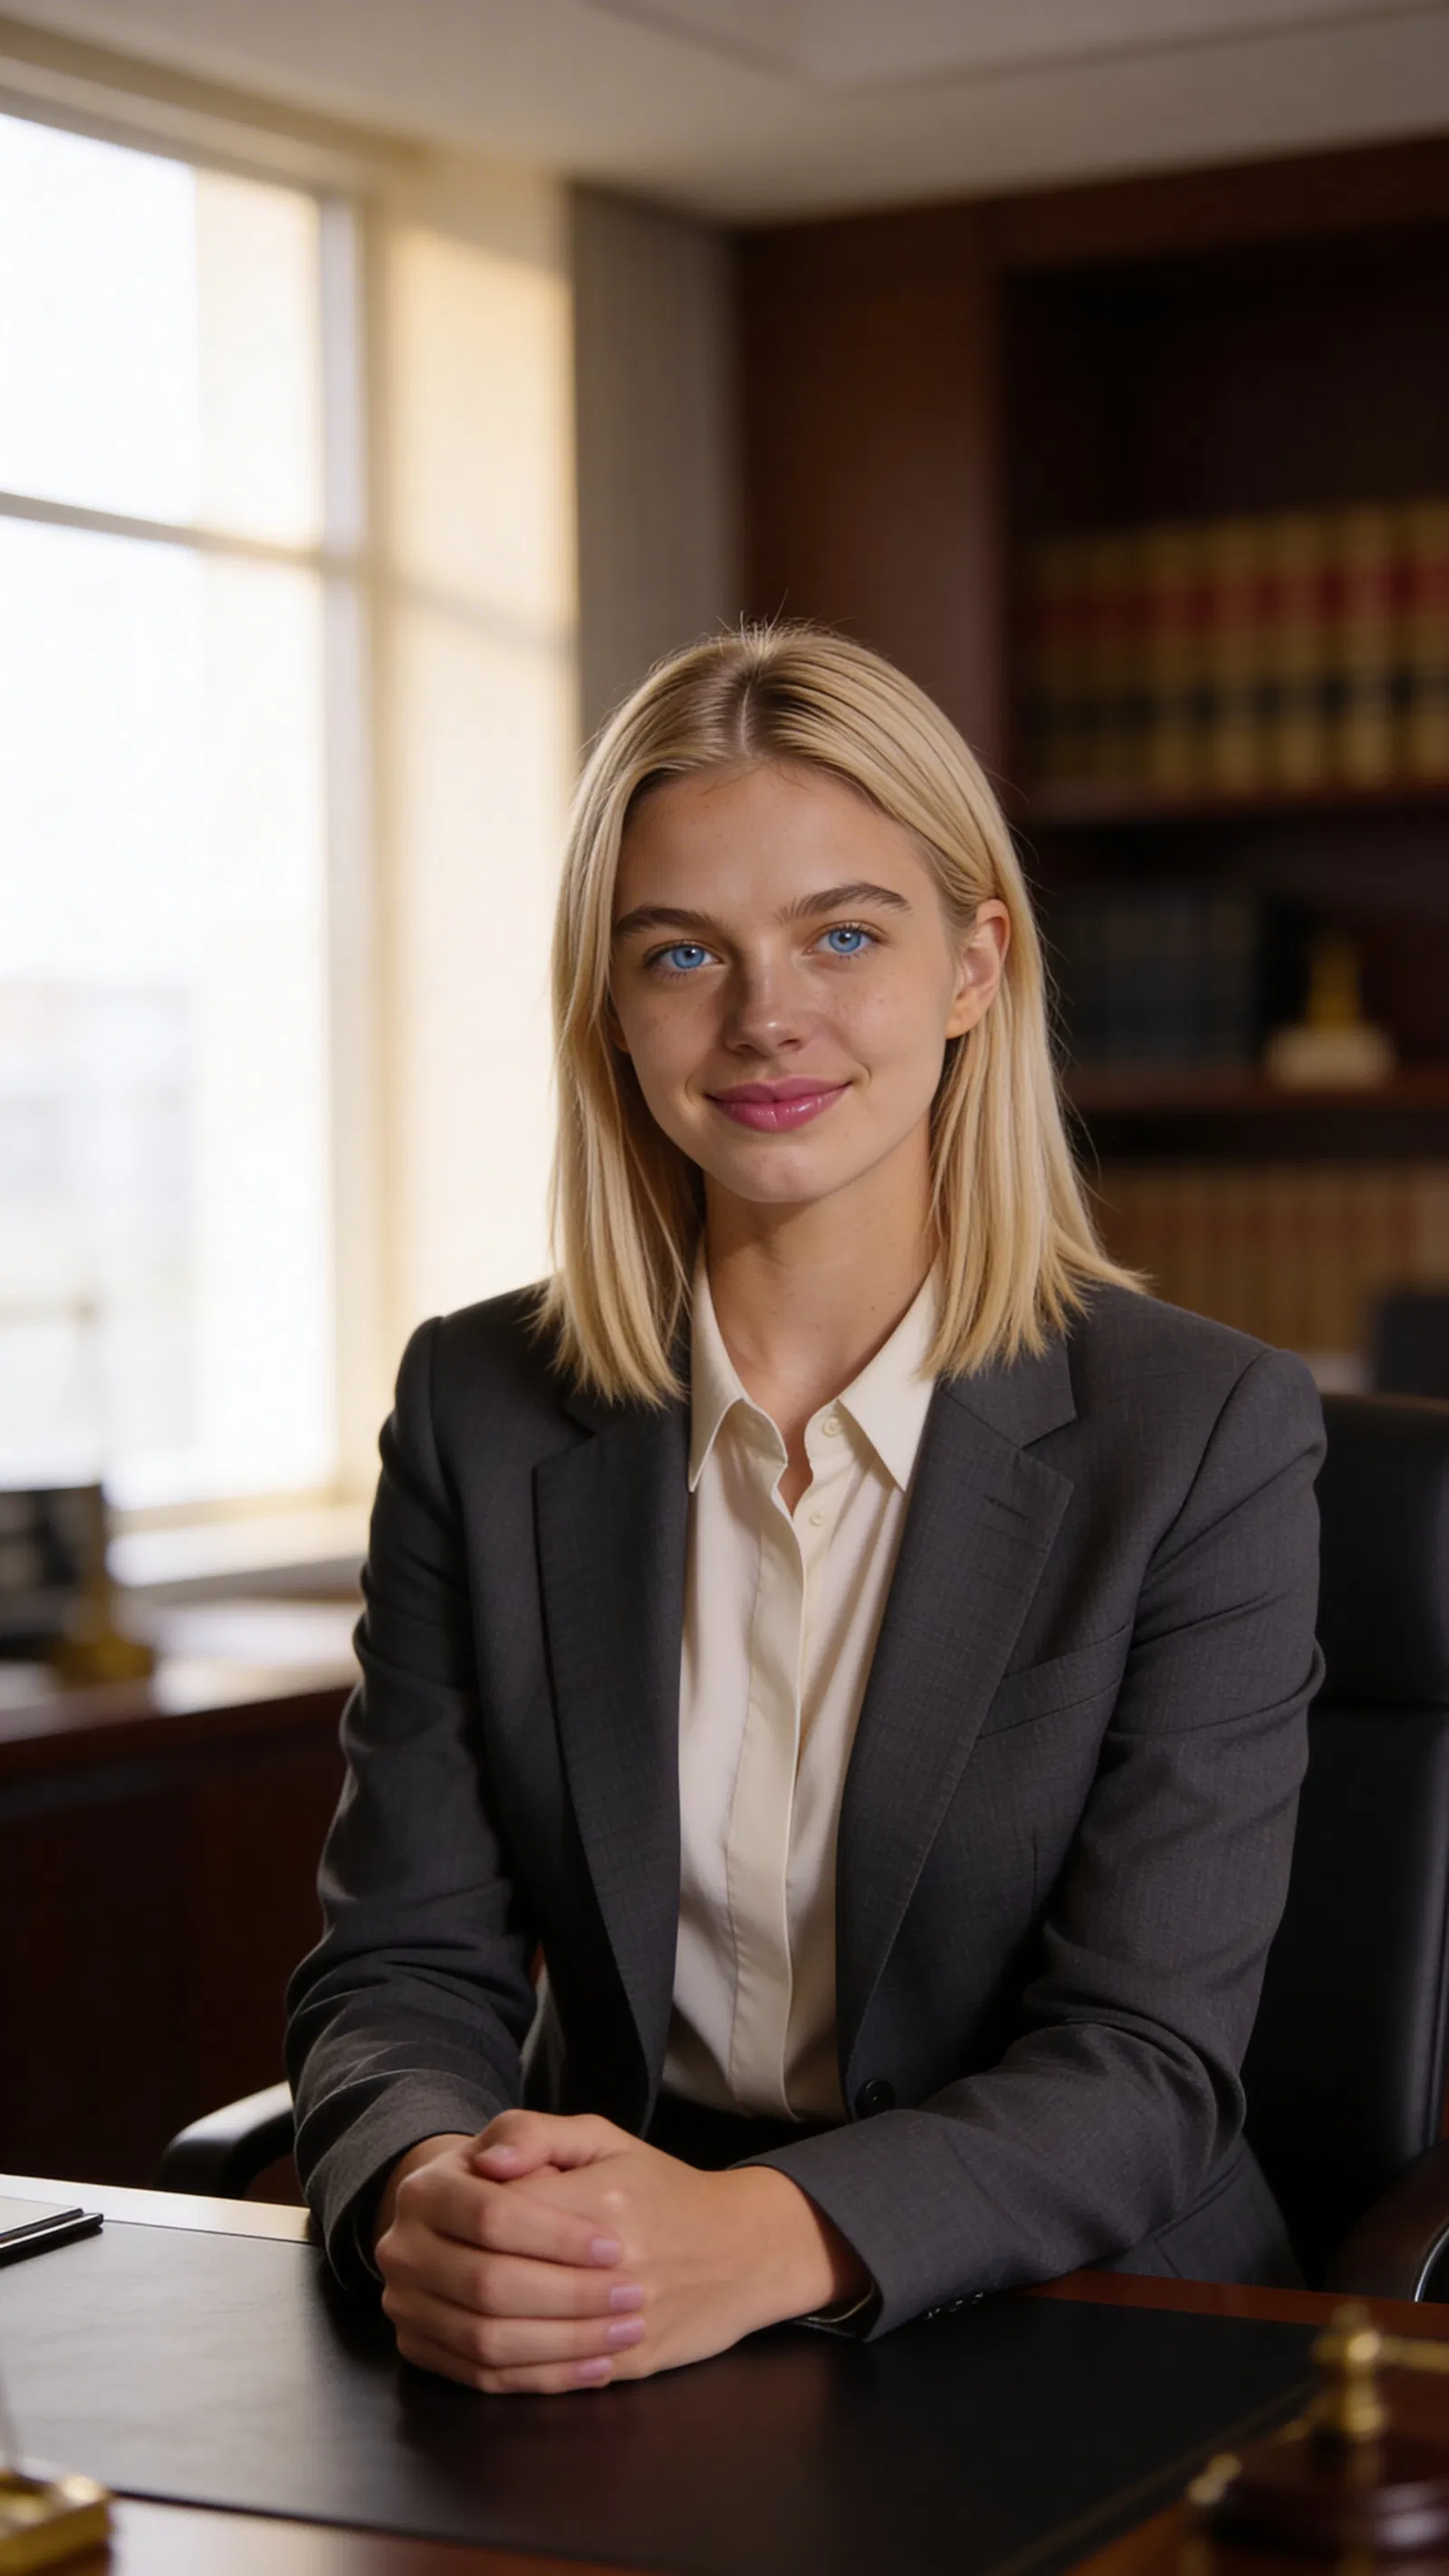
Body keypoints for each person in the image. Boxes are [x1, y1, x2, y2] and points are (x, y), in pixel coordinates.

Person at [286, 624, 1324, 2398]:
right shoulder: (480, 1405)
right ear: (608, 1008)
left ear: (970, 966)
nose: (763, 1015)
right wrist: (430, 2187)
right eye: (681, 952)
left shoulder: (1200, 1430)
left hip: (1078, 2321)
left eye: (843, 934)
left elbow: (1140, 2059)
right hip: (607, 2308)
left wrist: (748, 2237)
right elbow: (401, 1967)